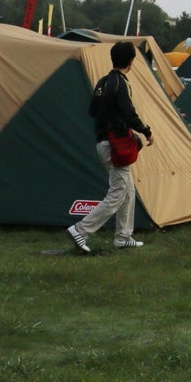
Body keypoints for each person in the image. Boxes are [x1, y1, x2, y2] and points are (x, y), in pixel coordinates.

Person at [68, 42, 153, 255]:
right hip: (115, 145)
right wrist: (146, 131)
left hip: (103, 141)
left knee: (128, 190)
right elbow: (128, 112)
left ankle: (123, 237)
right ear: (131, 61)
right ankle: (80, 229)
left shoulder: (103, 82)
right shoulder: (120, 84)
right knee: (117, 193)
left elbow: (93, 110)